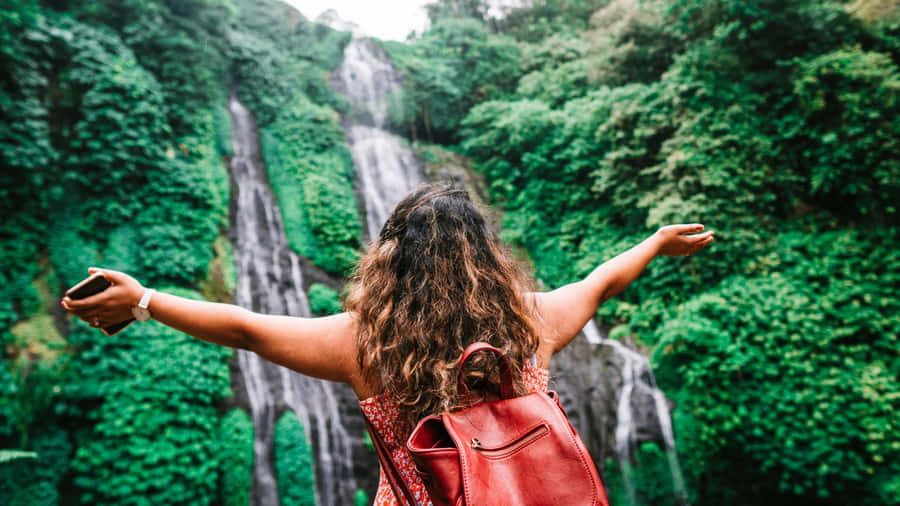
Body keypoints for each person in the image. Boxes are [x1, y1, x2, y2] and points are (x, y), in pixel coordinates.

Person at [61, 183, 714, 505]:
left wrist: (143, 301)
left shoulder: (366, 345)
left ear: (392, 260)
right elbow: (601, 281)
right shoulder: (529, 322)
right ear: (486, 258)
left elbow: (244, 327)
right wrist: (656, 241)